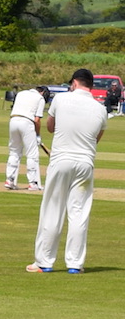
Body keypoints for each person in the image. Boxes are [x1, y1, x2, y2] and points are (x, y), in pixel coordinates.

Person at [27, 69, 107, 274]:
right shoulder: (101, 108)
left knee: (52, 209)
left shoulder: (61, 100)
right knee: (79, 213)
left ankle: (44, 262)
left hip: (61, 159)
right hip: (85, 163)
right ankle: (75, 264)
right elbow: (96, 139)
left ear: (74, 82)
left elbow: (51, 127)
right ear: (91, 85)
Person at [5, 86, 48, 192]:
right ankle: (32, 183)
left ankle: (9, 180)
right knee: (32, 154)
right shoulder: (40, 98)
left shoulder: (21, 93)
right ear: (42, 92)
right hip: (27, 122)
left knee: (14, 152)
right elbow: (37, 120)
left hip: (13, 121)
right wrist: (37, 135)